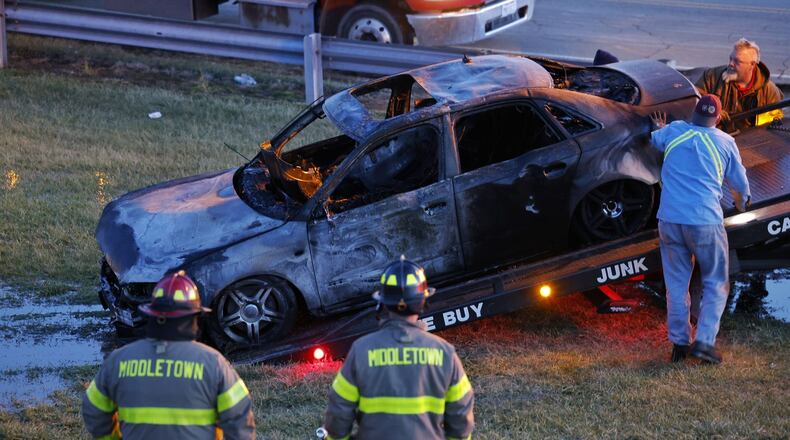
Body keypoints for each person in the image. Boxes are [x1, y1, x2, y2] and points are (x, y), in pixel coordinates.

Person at [82, 270, 256, 439]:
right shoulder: (213, 363)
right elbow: (239, 417)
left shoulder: (119, 361)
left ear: (152, 314)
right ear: (193, 317)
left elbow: (93, 408)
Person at [321, 258, 474, 439]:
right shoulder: (444, 352)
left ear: (383, 303)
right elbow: (461, 417)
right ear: (423, 301)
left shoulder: (361, 350)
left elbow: (339, 411)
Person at [649, 95, 750, 364]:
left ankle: (679, 344)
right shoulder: (725, 142)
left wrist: (660, 128)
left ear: (694, 113)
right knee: (716, 283)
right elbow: (740, 186)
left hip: (670, 220)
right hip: (704, 223)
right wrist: (740, 205)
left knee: (676, 286)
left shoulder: (675, 131)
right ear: (717, 119)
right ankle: (704, 343)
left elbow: (655, 139)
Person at [695, 38, 784, 130]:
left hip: (751, 140)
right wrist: (714, 110)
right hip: (717, 137)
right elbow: (694, 100)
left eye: (737, 61)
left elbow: (771, 126)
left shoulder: (769, 92)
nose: (730, 64)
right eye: (730, 59)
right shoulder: (711, 77)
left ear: (752, 65)